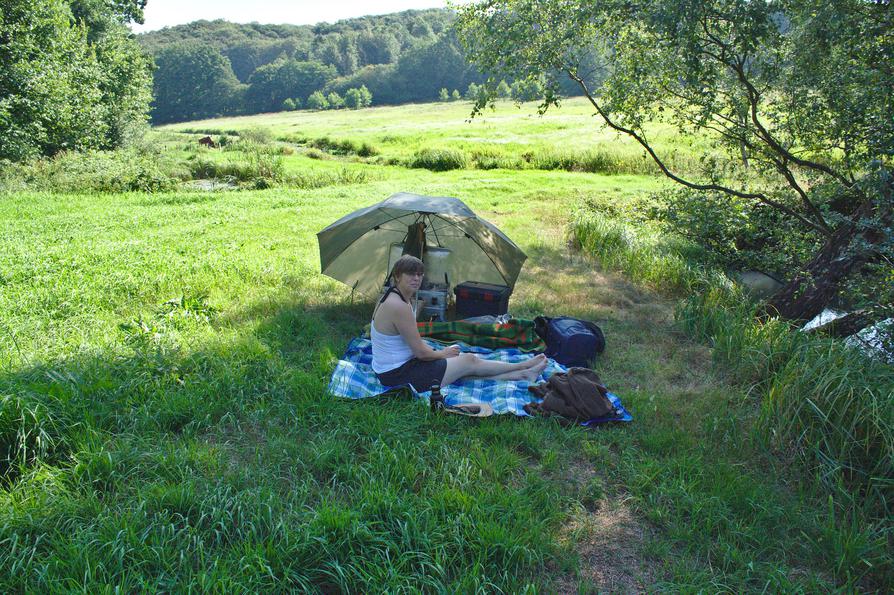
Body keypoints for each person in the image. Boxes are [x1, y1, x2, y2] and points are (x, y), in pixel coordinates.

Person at [371, 255, 547, 391]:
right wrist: (442, 353)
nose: (416, 278)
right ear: (397, 276)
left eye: (419, 274)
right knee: (469, 360)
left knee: (462, 371)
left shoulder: (391, 296)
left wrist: (433, 351)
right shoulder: (398, 306)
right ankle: (522, 366)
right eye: (410, 273)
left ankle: (522, 375)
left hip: (392, 369)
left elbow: (408, 341)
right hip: (398, 375)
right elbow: (421, 353)